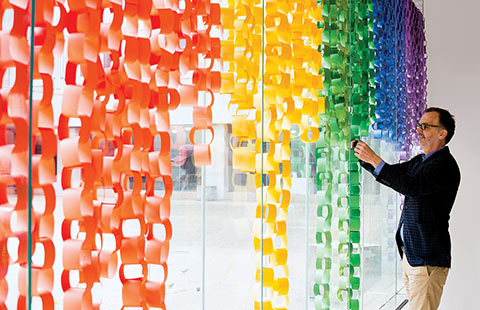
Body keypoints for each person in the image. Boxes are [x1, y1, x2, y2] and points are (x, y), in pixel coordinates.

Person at [352, 107, 460, 310]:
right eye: (419, 125)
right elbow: (393, 174)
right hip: (413, 256)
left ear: (442, 133)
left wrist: (373, 158)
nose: (418, 130)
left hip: (427, 259)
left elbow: (411, 186)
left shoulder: (444, 165)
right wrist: (363, 157)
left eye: (426, 126)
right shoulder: (421, 161)